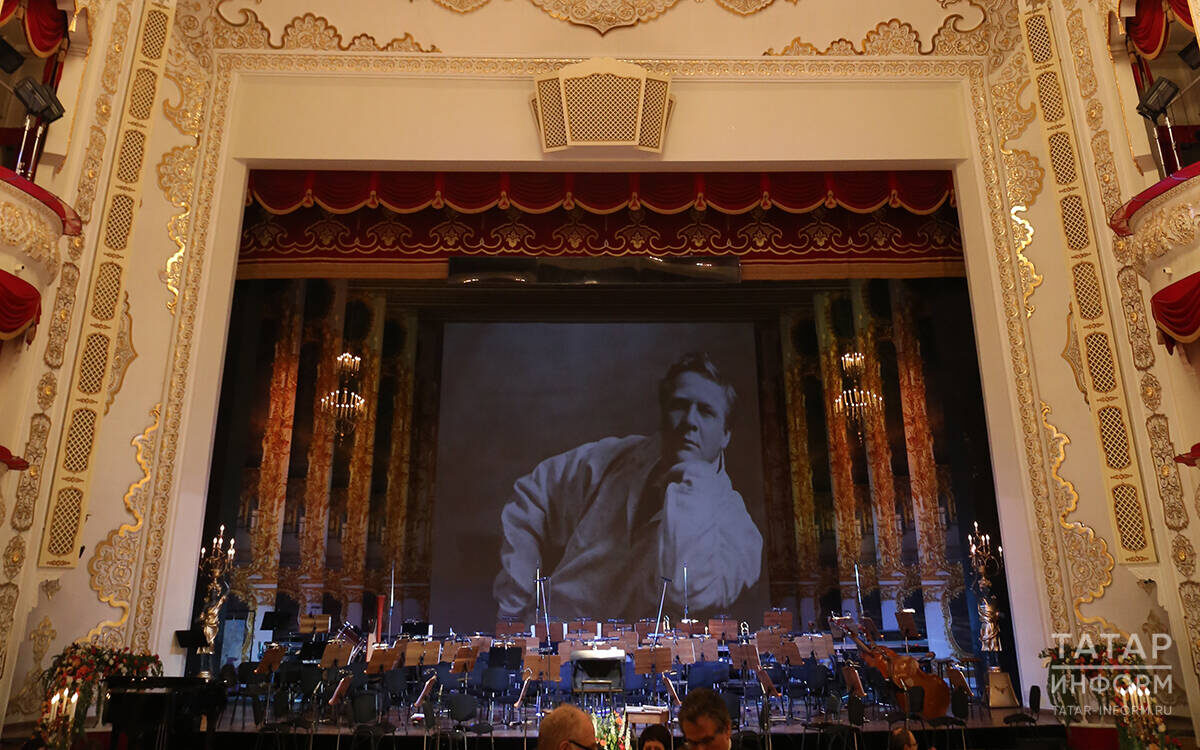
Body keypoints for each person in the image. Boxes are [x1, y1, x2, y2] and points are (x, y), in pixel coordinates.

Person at [493, 352, 763, 622]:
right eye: (680, 405)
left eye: (706, 411)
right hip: (551, 640)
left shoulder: (738, 531)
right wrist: (515, 609)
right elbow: (531, 497)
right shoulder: (616, 457)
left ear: (726, 434)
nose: (690, 421)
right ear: (663, 413)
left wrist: (694, 480)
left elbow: (687, 593)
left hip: (641, 659)